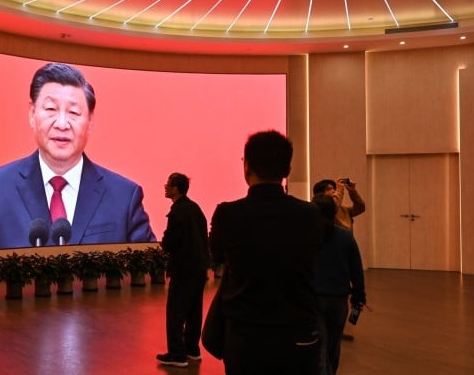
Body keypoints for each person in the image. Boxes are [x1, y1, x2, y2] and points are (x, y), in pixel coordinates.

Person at [0, 62, 155, 250]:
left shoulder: (124, 197)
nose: (62, 124)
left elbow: (151, 271)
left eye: (73, 112)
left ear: (90, 121)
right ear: (32, 114)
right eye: (51, 109)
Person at [209, 130, 324, 375]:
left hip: (245, 336)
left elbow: (217, 257)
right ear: (287, 169)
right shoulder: (311, 215)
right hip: (298, 334)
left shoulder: (228, 215)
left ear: (247, 166)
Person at [156, 173, 210, 368]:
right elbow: (204, 238)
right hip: (198, 268)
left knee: (176, 311)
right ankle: (192, 349)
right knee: (194, 310)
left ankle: (177, 354)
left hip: (183, 269)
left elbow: (171, 242)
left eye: (168, 184)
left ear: (176, 188)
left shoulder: (178, 212)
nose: (165, 187)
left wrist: (165, 241)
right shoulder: (195, 209)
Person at [312, 194, 366, 375]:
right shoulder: (345, 237)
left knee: (319, 344)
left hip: (314, 299)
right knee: (333, 345)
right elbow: (357, 271)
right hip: (338, 300)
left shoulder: (309, 238)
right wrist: (359, 298)